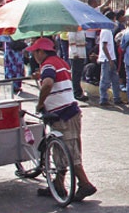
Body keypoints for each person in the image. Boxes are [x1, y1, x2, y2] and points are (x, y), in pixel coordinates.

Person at [28, 37, 96, 202]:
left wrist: (40, 103)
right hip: (65, 112)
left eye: (35, 52)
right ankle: (58, 184)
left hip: (64, 114)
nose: (34, 56)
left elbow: (49, 83)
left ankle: (85, 184)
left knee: (71, 152)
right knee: (61, 151)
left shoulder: (49, 64)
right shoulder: (60, 62)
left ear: (41, 51)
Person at [98, 12, 123, 107]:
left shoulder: (108, 31)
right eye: (114, 19)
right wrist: (109, 59)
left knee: (115, 79)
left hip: (111, 58)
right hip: (107, 60)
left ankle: (117, 98)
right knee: (105, 79)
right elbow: (104, 47)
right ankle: (103, 98)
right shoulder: (106, 31)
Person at [67, 29, 89, 102]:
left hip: (81, 53)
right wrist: (75, 53)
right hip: (76, 54)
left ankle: (78, 91)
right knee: (76, 74)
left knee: (78, 73)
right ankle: (76, 93)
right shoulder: (72, 30)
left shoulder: (80, 30)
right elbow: (71, 41)